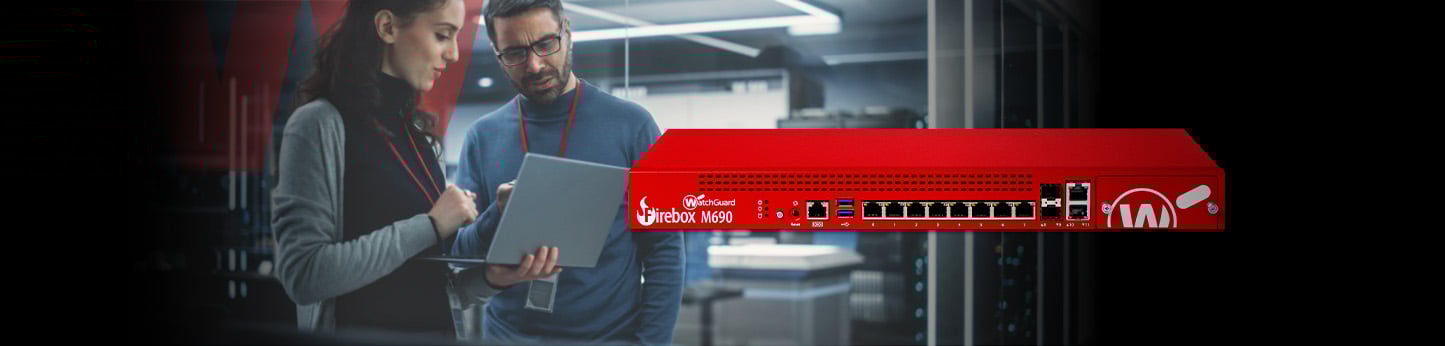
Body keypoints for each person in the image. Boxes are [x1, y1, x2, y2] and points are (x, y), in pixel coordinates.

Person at [447, 0, 683, 344]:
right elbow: (461, 252)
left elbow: (664, 248)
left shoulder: (632, 126)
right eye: (514, 53)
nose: (534, 64)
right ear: (498, 55)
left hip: (609, 338)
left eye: (545, 44)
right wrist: (498, 214)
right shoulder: (483, 137)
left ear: (567, 32)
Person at [270, 0, 475, 337]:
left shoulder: (418, 139)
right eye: (442, 35)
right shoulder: (317, 125)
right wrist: (430, 226)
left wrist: (492, 278)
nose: (453, 53)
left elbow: (428, 285)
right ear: (387, 27)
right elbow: (303, 275)